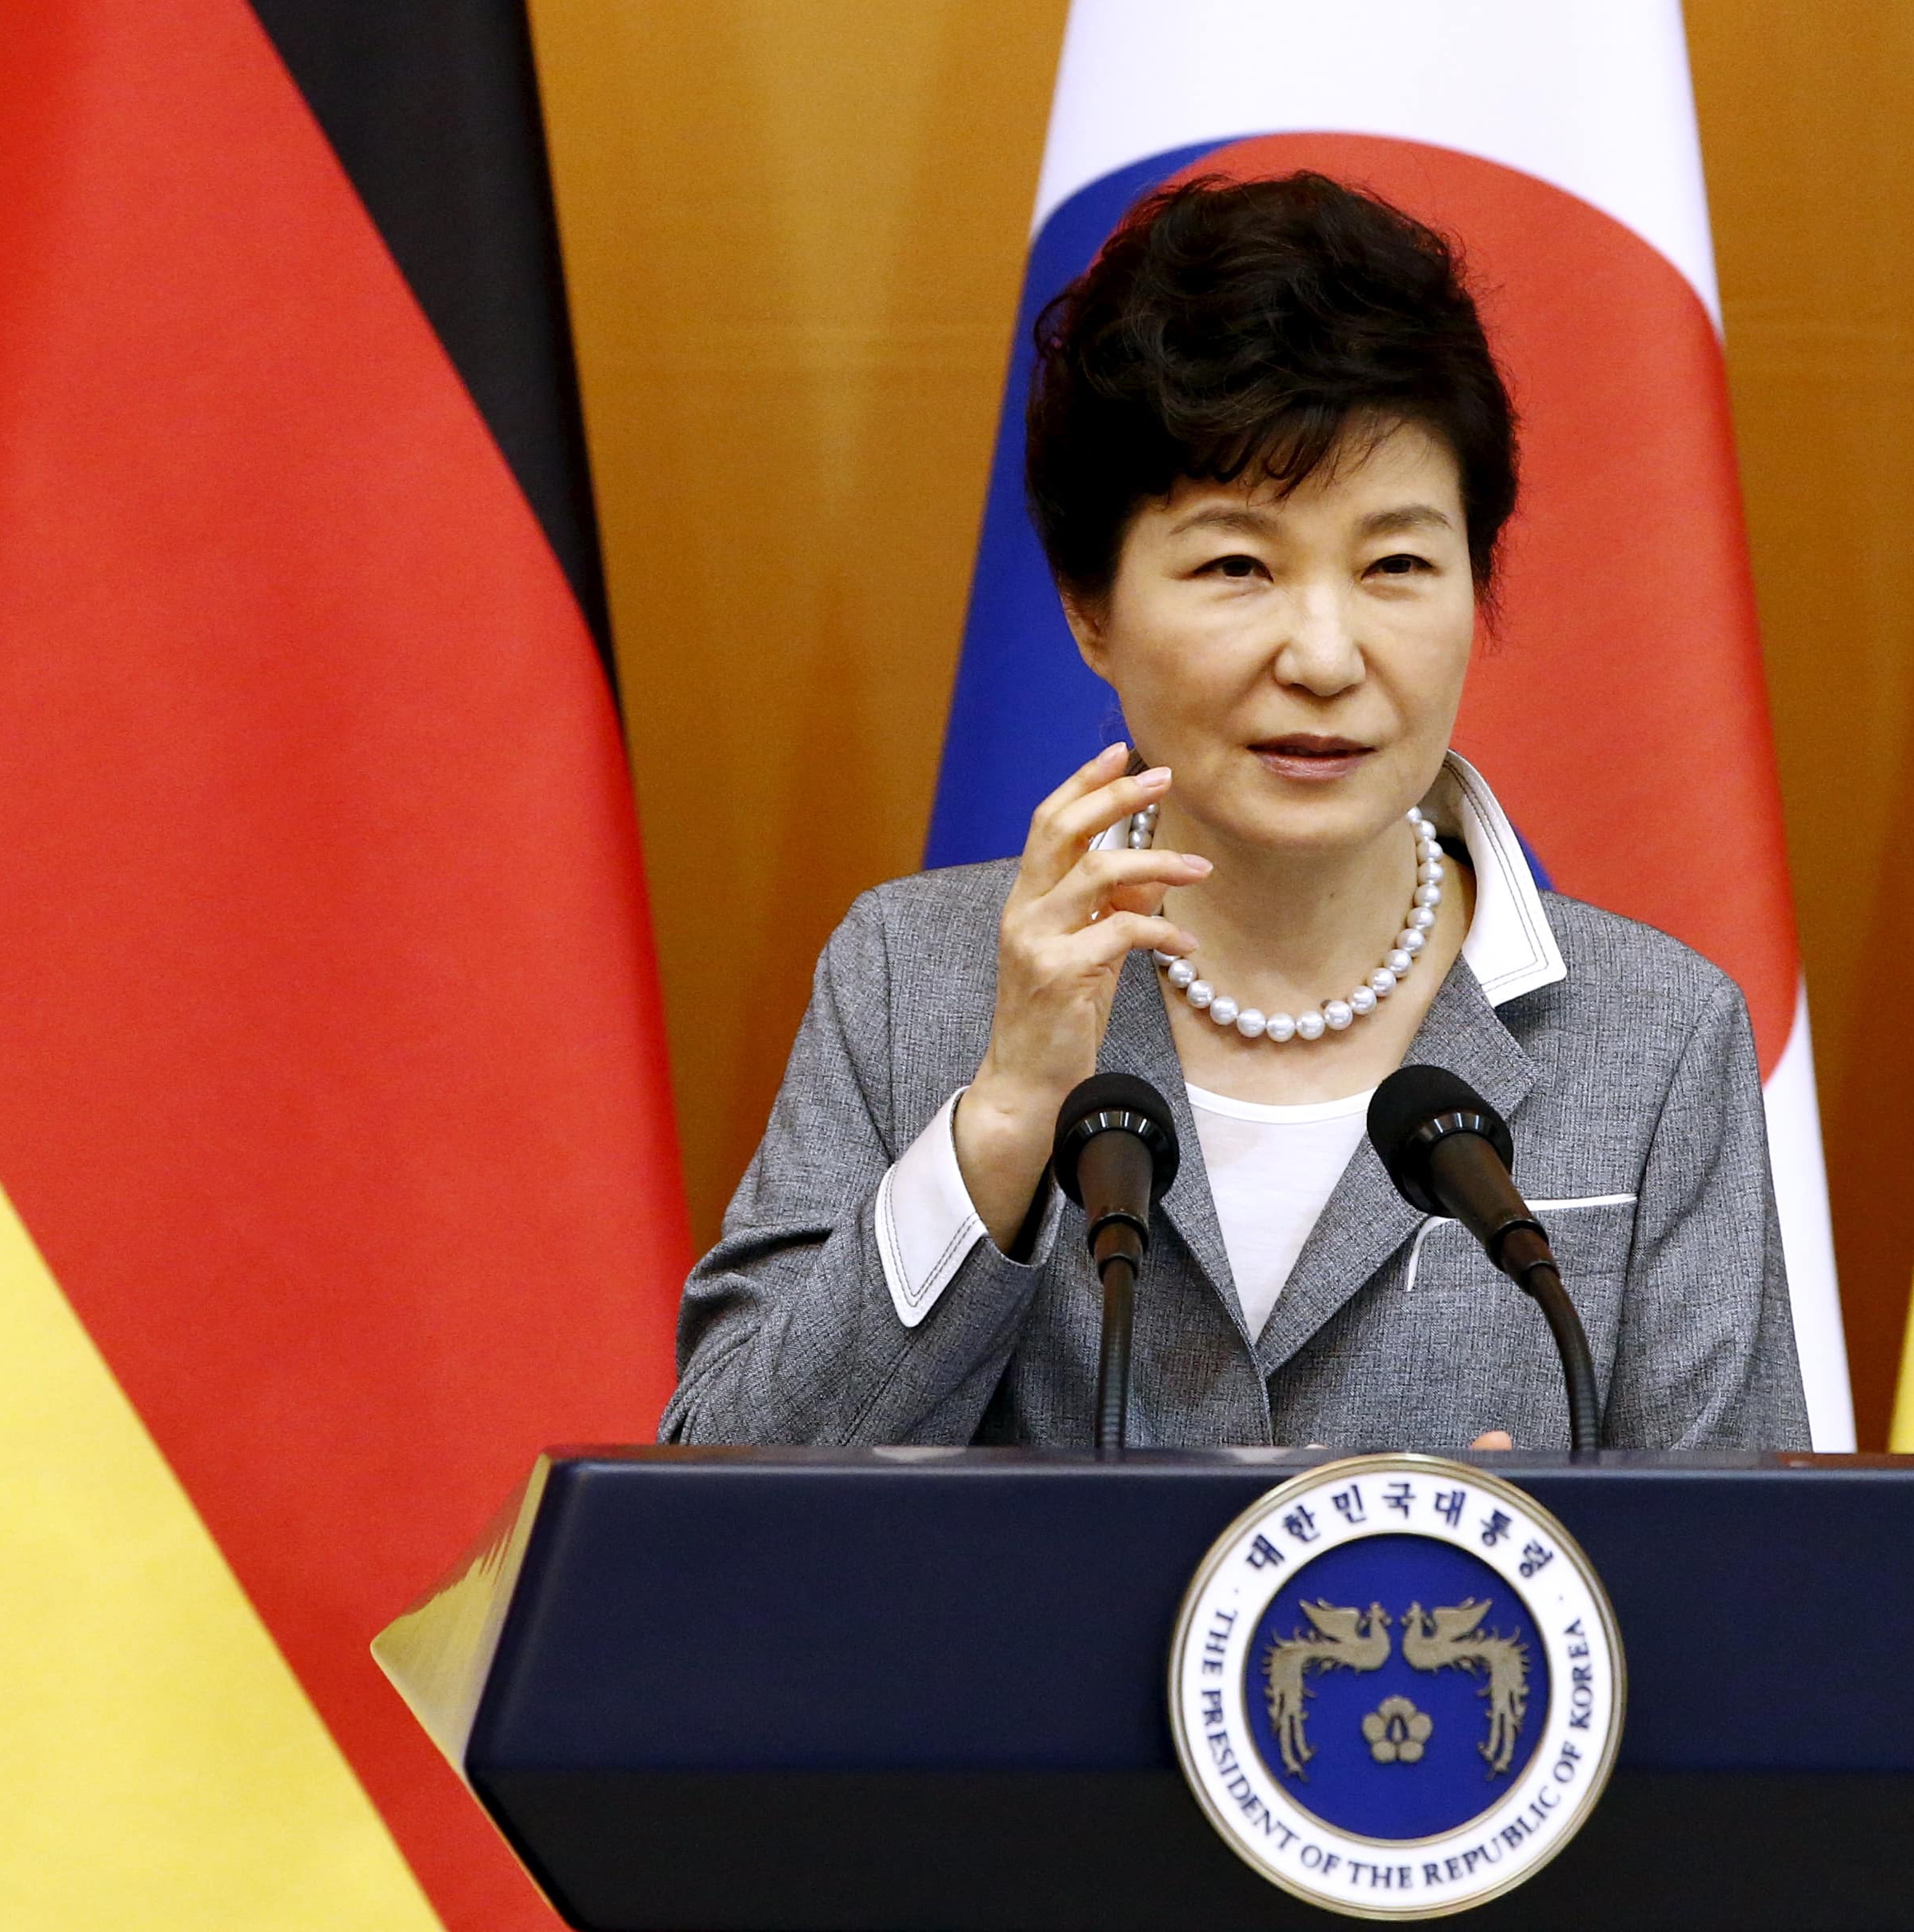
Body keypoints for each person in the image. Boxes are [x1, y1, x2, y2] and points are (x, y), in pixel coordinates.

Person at [661, 173, 1808, 1453]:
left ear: (1478, 584)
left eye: (1396, 566)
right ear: (1089, 608)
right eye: (1235, 566)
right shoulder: (909, 981)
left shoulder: (1653, 1037)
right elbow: (726, 1484)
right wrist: (1002, 1119)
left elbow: (1750, 1587)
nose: (1324, 654)